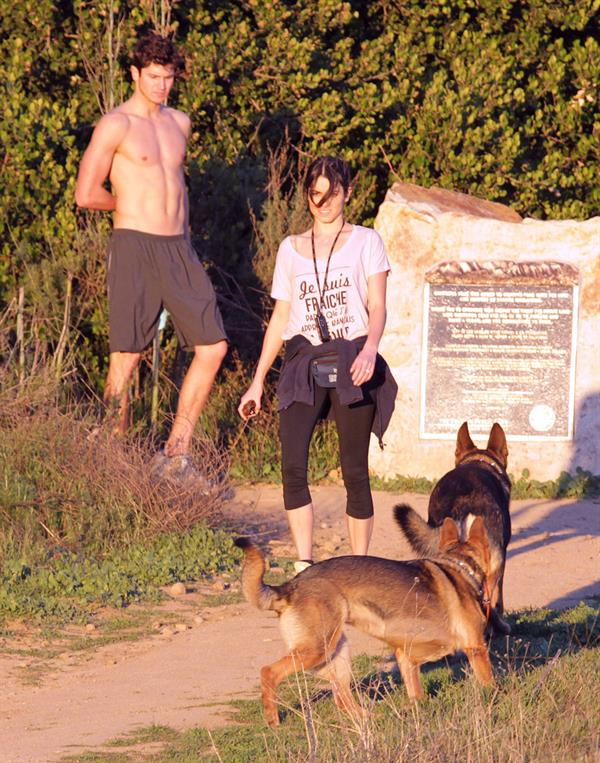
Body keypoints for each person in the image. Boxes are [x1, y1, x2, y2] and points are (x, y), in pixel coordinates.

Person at [75, 32, 227, 475]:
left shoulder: (179, 122)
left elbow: (175, 186)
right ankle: (113, 461)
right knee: (127, 355)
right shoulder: (116, 124)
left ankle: (176, 453)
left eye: (169, 77)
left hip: (179, 247)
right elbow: (87, 193)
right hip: (134, 246)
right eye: (154, 76)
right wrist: (124, 205)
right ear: (135, 74)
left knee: (213, 346)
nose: (162, 85)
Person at [238, 156, 397, 571]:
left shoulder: (367, 241)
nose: (324, 203)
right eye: (316, 195)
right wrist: (257, 381)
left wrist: (369, 350)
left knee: (354, 470)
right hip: (303, 360)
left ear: (347, 192)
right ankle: (305, 564)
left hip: (351, 356)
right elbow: (280, 319)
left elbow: (378, 307)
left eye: (332, 194)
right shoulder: (291, 249)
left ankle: (360, 568)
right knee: (292, 465)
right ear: (307, 195)